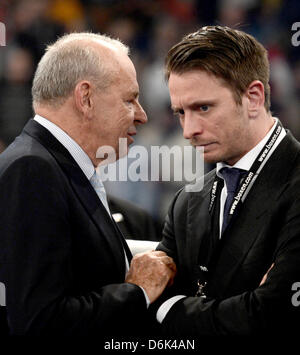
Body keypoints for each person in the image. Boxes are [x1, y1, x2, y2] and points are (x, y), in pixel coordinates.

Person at [0, 32, 176, 336]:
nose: (142, 115)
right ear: (86, 98)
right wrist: (138, 291)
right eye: (129, 99)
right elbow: (39, 322)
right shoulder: (33, 170)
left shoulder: (56, 167)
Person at [153, 25, 300, 335]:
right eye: (180, 112)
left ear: (253, 97)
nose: (188, 130)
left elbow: (270, 315)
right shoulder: (187, 201)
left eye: (203, 108)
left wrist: (168, 308)